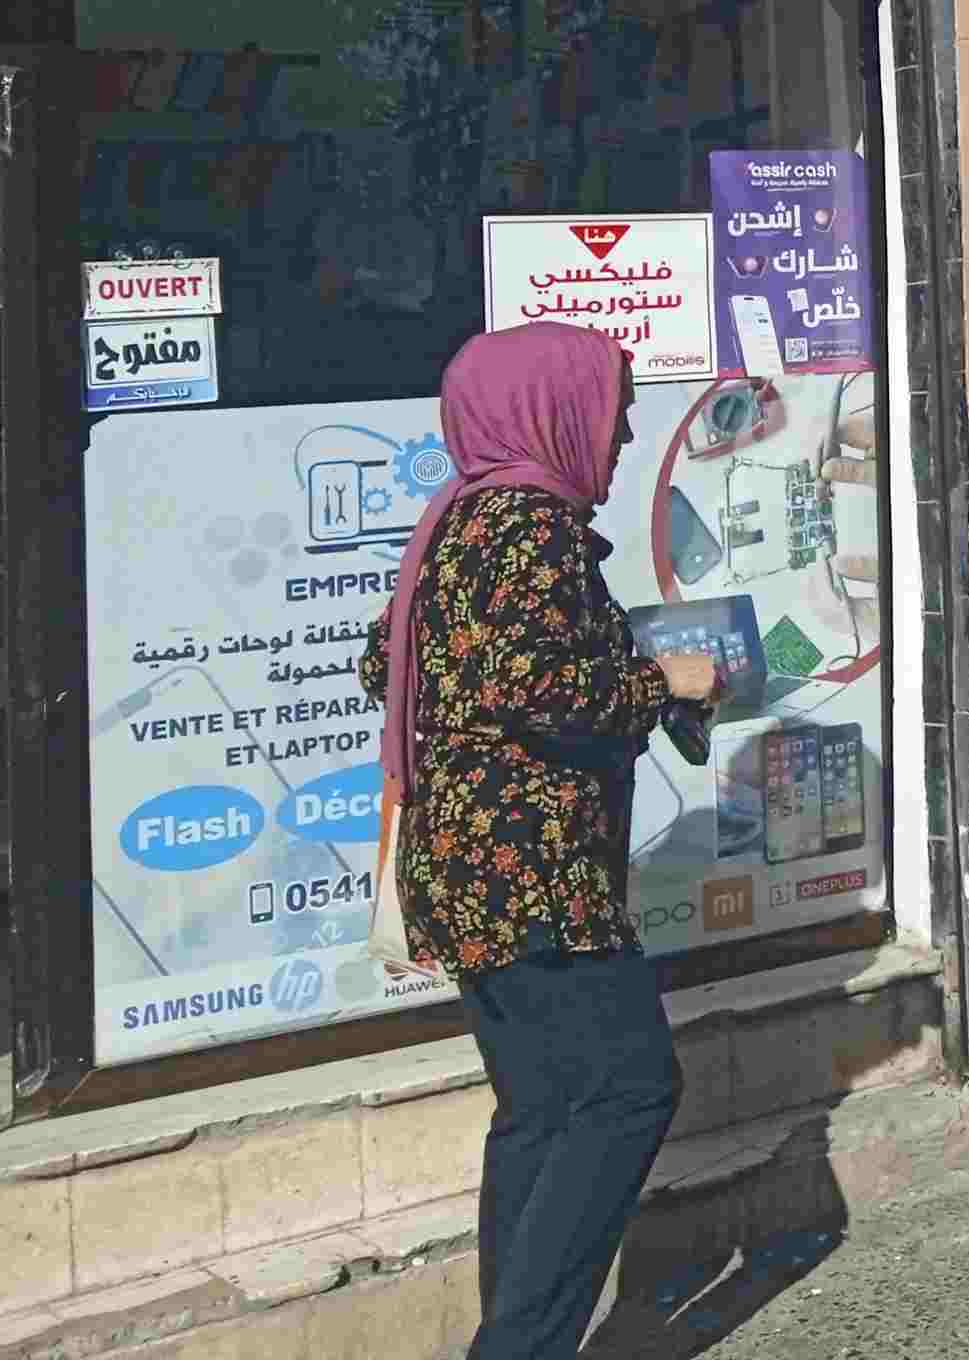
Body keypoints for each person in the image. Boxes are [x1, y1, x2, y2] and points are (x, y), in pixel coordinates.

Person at [359, 321, 721, 1360]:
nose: (622, 434)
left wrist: (611, 665)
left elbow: (391, 666)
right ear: (550, 410)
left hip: (463, 866)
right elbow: (537, 686)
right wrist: (663, 681)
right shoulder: (531, 524)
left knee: (543, 1106)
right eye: (613, 412)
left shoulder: (457, 521)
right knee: (629, 1090)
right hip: (533, 869)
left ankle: (515, 1339)